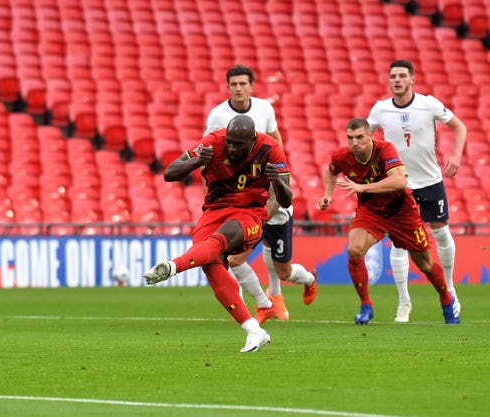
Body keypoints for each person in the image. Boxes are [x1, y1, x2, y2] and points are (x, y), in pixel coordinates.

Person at [144, 115, 292, 352]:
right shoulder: (212, 142)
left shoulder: (270, 149)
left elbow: (287, 199)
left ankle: (173, 266)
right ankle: (254, 330)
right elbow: (170, 173)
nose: (231, 148)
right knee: (211, 264)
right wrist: (195, 162)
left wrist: (279, 184)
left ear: (252, 140)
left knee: (224, 236)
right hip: (214, 211)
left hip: (250, 213)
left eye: (238, 144)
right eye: (230, 142)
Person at [317, 117, 460, 325]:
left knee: (425, 264)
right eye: (350, 138)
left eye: (359, 137)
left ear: (370, 136)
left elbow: (400, 181)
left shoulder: (385, 150)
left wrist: (362, 188)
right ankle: (366, 305)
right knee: (354, 250)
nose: (355, 143)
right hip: (371, 212)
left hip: (402, 212)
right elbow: (331, 170)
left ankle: (447, 300)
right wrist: (327, 195)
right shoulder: (342, 156)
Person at [204, 64, 317, 323]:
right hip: (241, 197)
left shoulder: (264, 108)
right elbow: (207, 159)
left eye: (243, 84)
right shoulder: (217, 116)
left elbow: (276, 141)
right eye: (234, 84)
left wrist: (279, 178)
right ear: (228, 87)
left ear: (251, 86)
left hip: (270, 197)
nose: (239, 88)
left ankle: (308, 279)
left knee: (284, 270)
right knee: (234, 259)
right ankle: (265, 303)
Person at [366, 59, 466, 323]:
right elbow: (364, 137)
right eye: (393, 77)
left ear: (412, 80)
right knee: (399, 243)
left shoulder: (429, 103)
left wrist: (456, 155)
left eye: (402, 76)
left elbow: (460, 126)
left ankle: (450, 288)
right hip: (399, 184)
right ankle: (404, 302)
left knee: (442, 233)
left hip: (430, 181)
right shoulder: (380, 109)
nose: (397, 80)